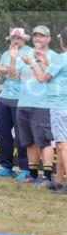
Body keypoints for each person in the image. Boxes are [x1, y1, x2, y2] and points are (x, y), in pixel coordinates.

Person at [9, 26, 56, 187]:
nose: (38, 39)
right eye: (36, 36)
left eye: (42, 36)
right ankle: (33, 174)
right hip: (23, 103)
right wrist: (14, 58)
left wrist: (39, 63)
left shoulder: (54, 56)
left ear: (49, 39)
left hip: (43, 105)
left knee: (44, 142)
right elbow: (14, 76)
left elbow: (50, 78)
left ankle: (48, 177)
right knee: (29, 142)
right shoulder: (25, 55)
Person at [0, 27, 33, 178]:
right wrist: (0, 74)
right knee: (2, 133)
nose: (15, 41)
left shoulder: (30, 54)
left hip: (21, 100)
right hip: (4, 98)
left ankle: (26, 170)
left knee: (22, 136)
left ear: (25, 39)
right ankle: (6, 167)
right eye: (13, 38)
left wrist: (7, 70)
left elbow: (19, 76)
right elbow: (0, 81)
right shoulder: (6, 54)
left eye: (18, 38)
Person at [47, 28, 67, 194]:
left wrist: (32, 64)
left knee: (62, 146)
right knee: (62, 145)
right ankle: (58, 182)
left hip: (60, 106)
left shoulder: (61, 58)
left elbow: (42, 78)